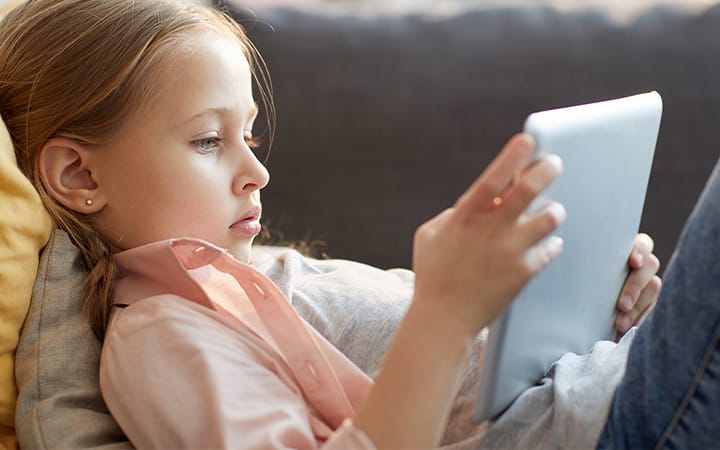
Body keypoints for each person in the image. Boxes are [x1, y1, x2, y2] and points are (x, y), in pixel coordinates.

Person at [1, 0, 714, 448]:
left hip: (611, 377)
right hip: (616, 423)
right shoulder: (167, 330)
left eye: (248, 135)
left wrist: (598, 308)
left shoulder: (247, 279)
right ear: (80, 177)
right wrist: (444, 309)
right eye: (207, 141)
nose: (257, 172)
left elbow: (486, 384)